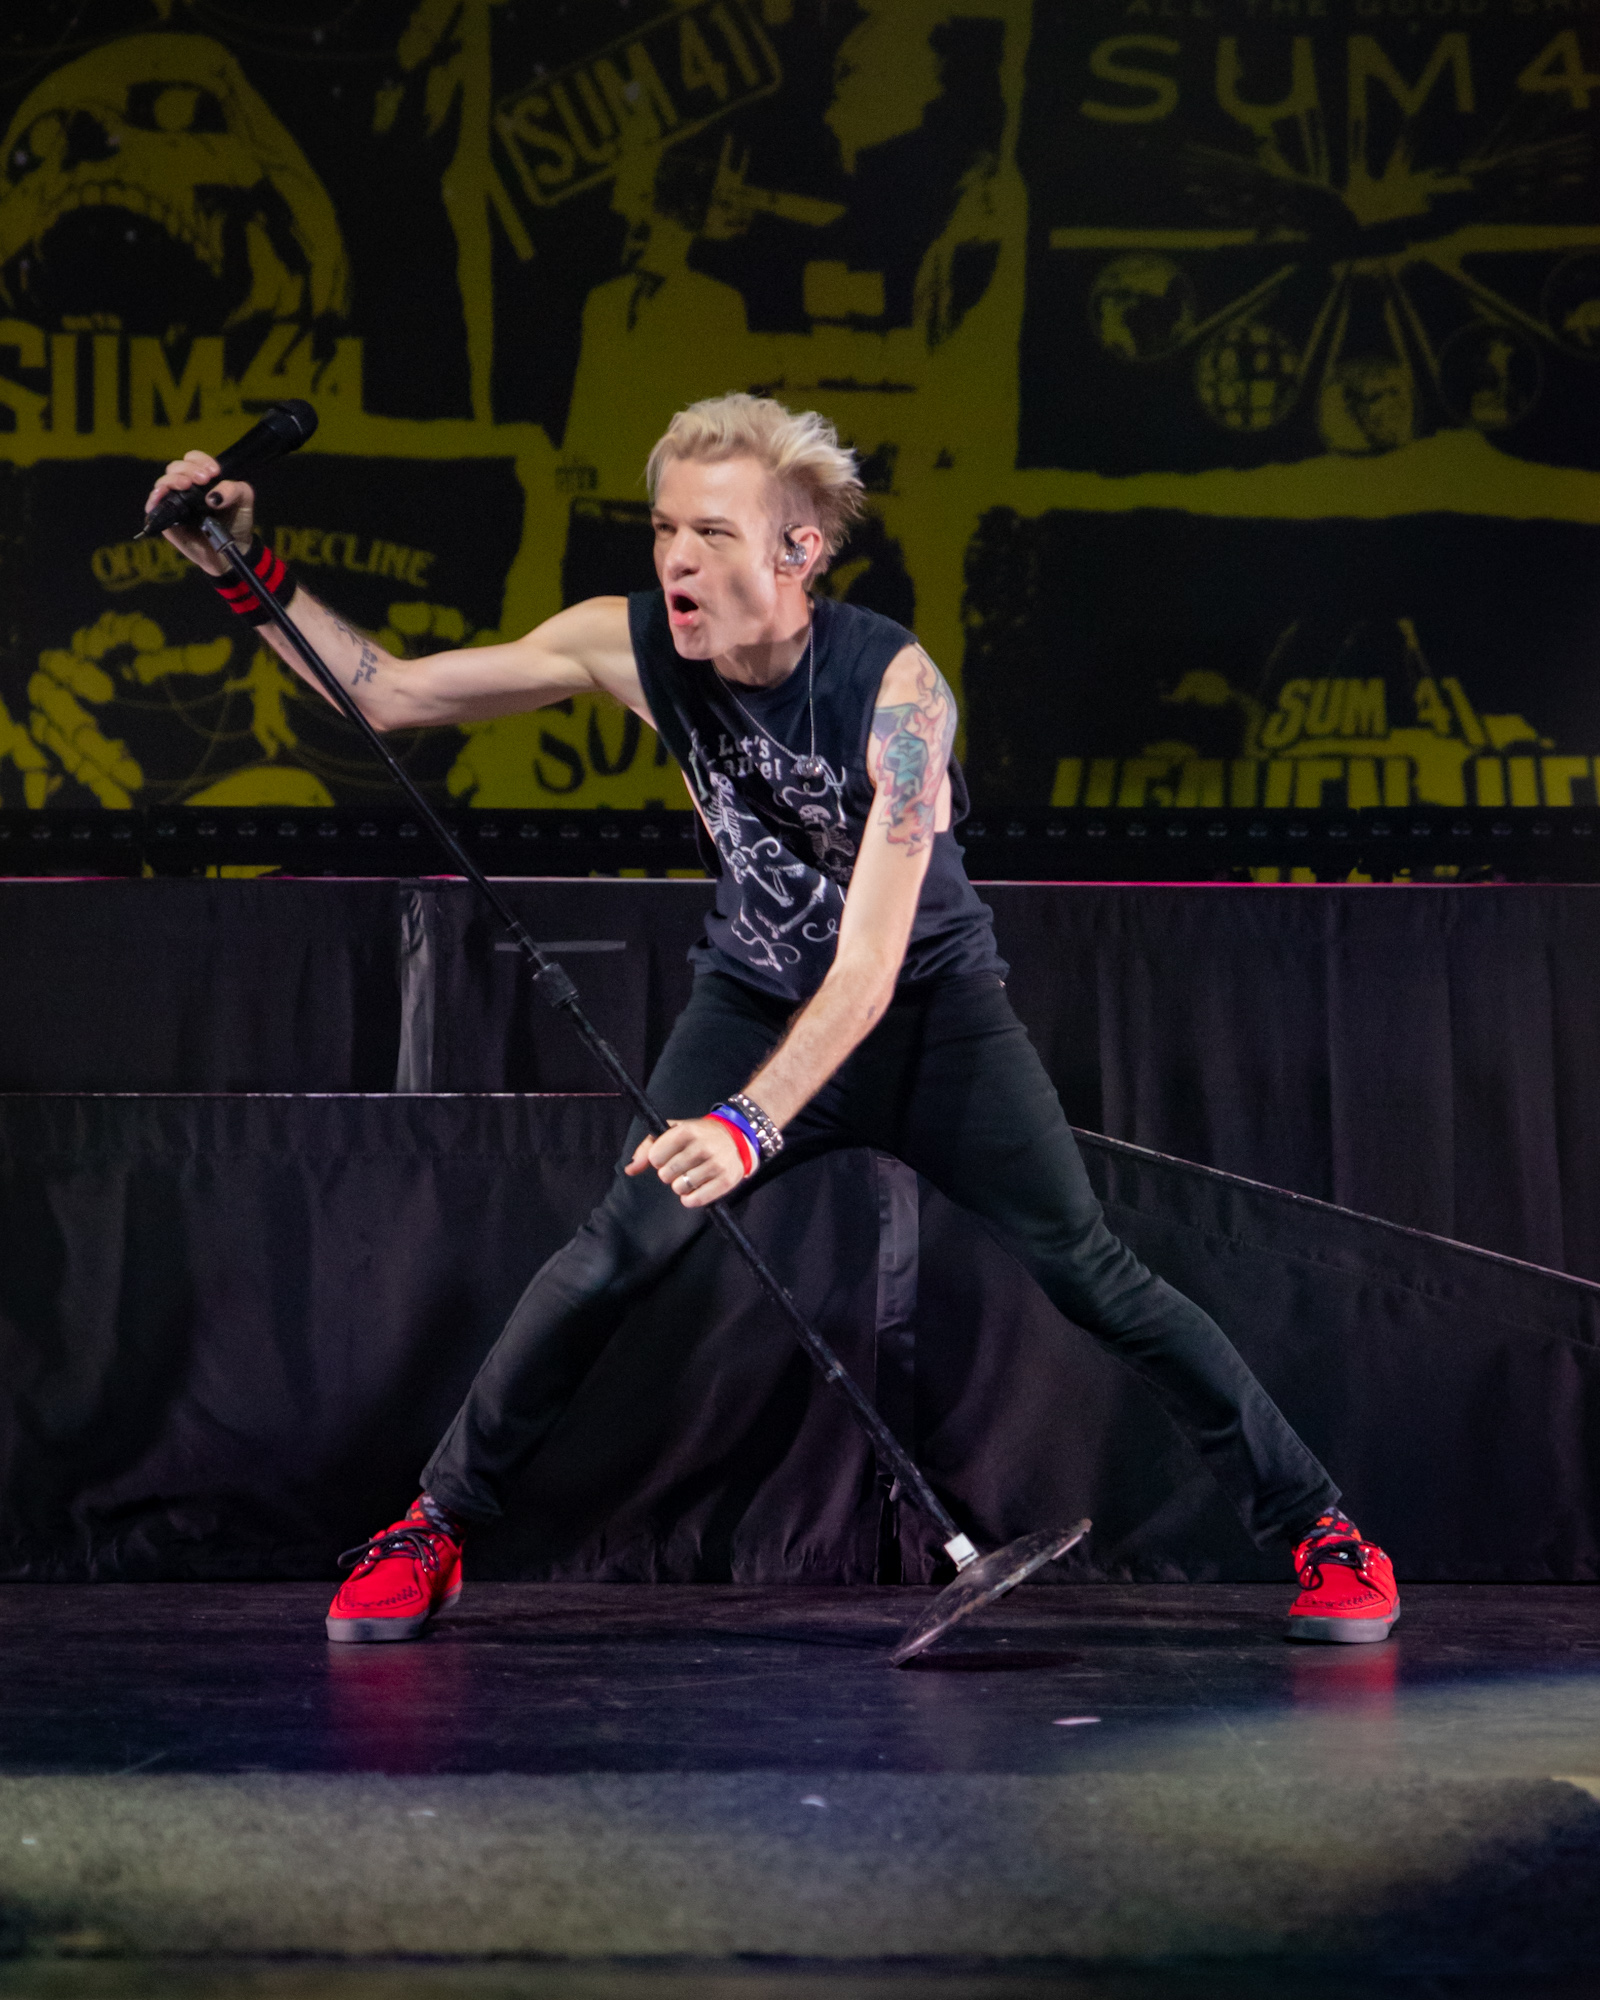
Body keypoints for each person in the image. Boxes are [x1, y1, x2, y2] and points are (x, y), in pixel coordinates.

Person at [148, 393, 1400, 1648]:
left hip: (927, 1015)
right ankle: (433, 1526)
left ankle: (1322, 1530)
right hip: (751, 1000)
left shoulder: (897, 694)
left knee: (1093, 1272)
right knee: (610, 1257)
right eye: (662, 530)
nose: (676, 561)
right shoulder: (631, 644)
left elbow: (868, 964)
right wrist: (243, 569)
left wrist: (746, 1124)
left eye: (711, 534)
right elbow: (391, 692)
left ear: (799, 551)